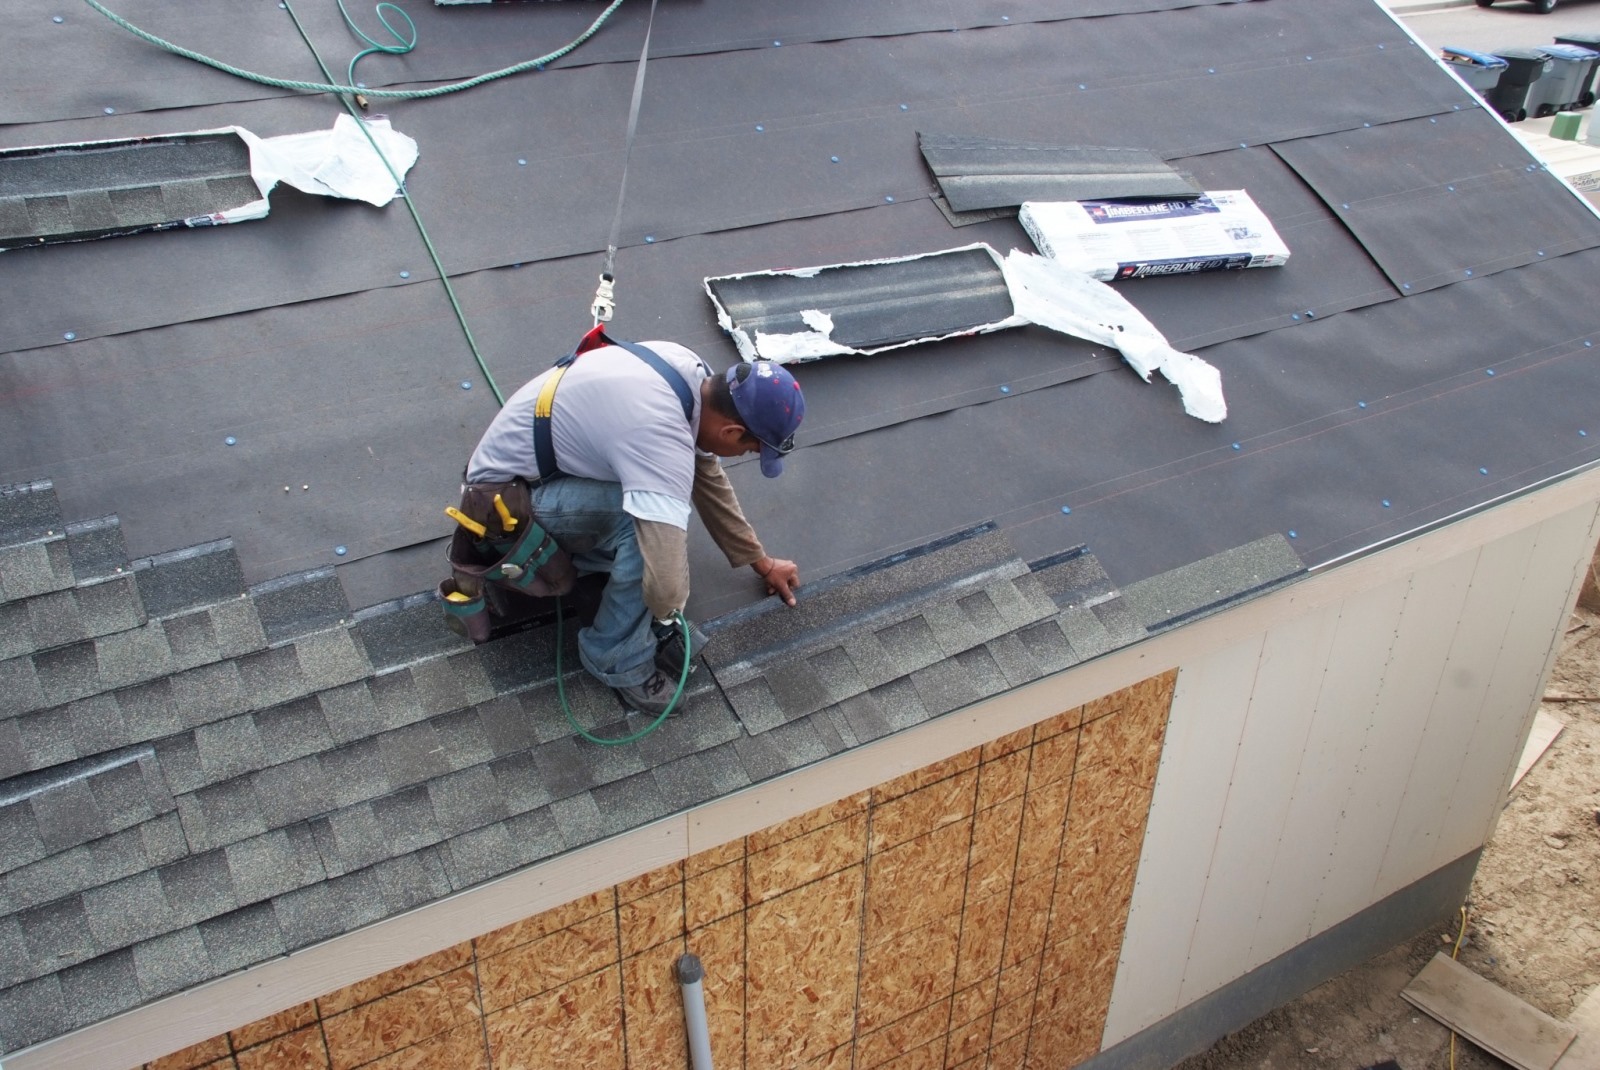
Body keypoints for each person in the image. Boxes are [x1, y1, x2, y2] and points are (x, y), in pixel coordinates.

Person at [464, 335, 805, 714]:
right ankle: (616, 657)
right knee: (646, 533)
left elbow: (706, 476)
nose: (742, 455)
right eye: (749, 449)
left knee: (658, 516)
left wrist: (761, 562)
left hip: (532, 478)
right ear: (731, 432)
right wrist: (665, 613)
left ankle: (597, 569)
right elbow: (665, 586)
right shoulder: (661, 436)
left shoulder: (692, 375)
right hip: (503, 506)